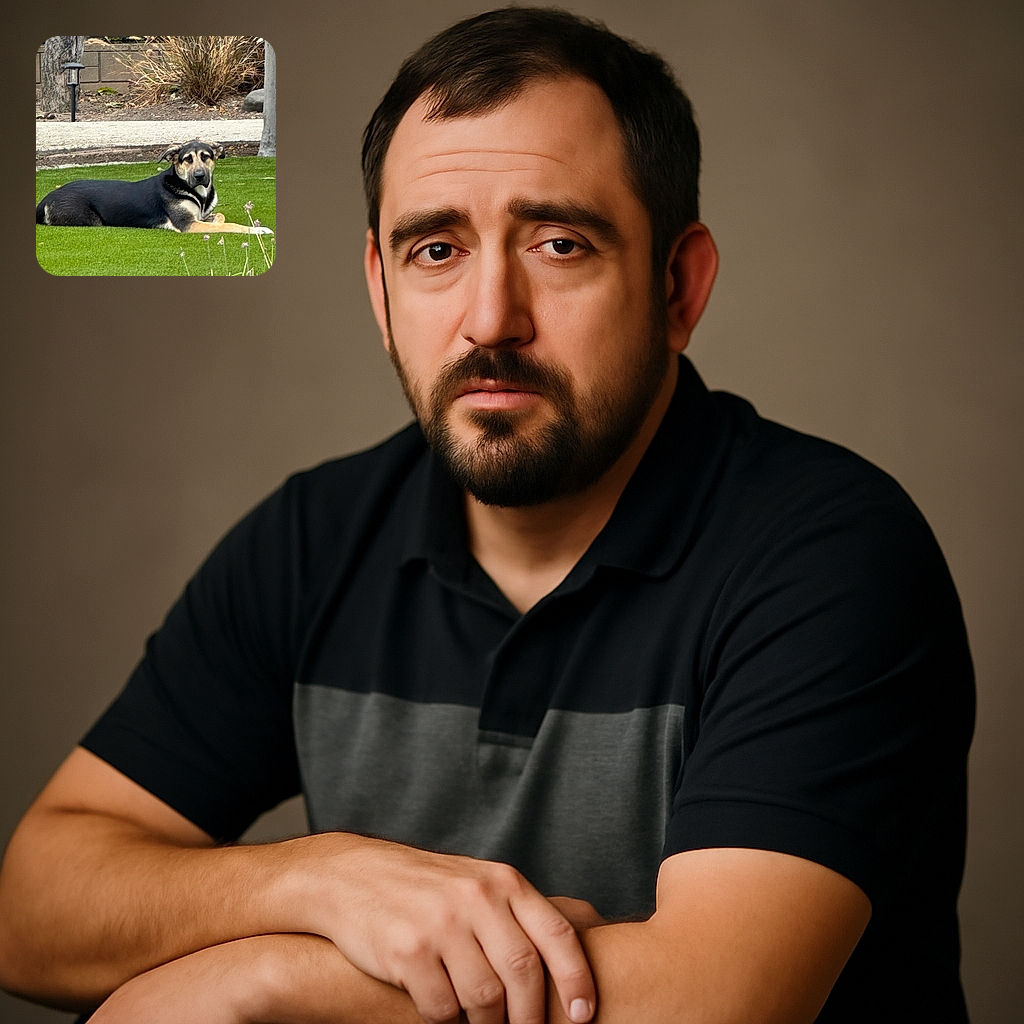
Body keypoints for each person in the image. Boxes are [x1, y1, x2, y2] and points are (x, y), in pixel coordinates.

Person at [0, 7, 974, 1023]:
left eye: (559, 243)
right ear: (380, 291)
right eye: (435, 249)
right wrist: (316, 880)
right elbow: (32, 909)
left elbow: (714, 995)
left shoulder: (832, 554)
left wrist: (260, 981)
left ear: (677, 288)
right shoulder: (311, 542)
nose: (489, 318)